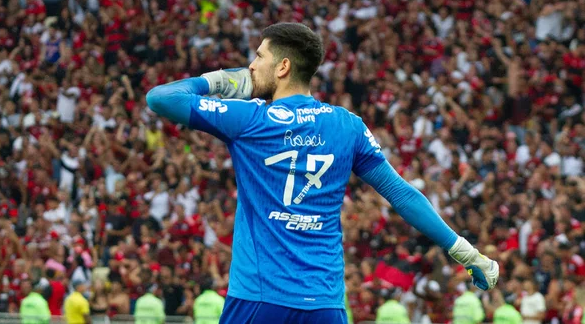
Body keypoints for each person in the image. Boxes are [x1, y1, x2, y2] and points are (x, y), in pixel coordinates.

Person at [146, 22, 499, 323]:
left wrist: (222, 81)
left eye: (258, 57)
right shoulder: (347, 126)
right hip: (324, 306)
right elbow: (402, 194)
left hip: (259, 299)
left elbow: (161, 98)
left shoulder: (249, 119)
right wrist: (468, 253)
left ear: (282, 67)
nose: (251, 66)